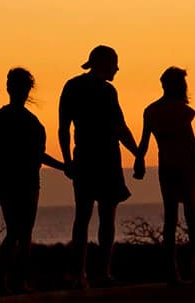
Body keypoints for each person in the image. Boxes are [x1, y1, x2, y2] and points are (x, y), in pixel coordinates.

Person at [58, 45, 138, 289]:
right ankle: (97, 273)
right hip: (101, 160)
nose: (117, 68)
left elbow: (64, 128)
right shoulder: (102, 90)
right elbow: (120, 128)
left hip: (88, 159)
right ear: (103, 63)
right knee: (102, 218)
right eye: (114, 63)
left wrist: (67, 161)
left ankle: (82, 274)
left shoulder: (75, 87)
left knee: (84, 218)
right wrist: (138, 153)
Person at [0, 67, 65, 294]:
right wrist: (64, 167)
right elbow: (30, 156)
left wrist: (1, 184)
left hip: (17, 182)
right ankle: (16, 282)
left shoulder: (1, 119)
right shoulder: (28, 122)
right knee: (22, 233)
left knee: (16, 233)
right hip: (25, 183)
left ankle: (8, 281)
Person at [133, 66, 195, 286]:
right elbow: (192, 143)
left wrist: (139, 162)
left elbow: (144, 142)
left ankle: (172, 271)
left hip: (167, 168)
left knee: (171, 219)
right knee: (191, 219)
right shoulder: (181, 111)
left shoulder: (151, 111)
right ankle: (194, 269)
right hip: (185, 167)